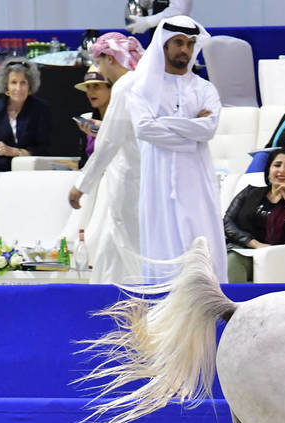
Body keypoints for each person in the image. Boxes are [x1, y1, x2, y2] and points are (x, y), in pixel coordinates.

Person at [125, 15, 227, 283]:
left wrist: (168, 125)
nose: (185, 50)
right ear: (164, 46)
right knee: (163, 256)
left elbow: (208, 129)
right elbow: (144, 129)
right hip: (157, 184)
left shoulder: (205, 89)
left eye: (190, 44)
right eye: (178, 42)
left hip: (197, 183)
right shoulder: (142, 88)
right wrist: (190, 134)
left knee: (202, 251)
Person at [68, 32, 145, 285]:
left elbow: (109, 143)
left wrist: (81, 185)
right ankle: (102, 303)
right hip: (136, 179)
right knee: (110, 249)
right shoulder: (143, 83)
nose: (101, 70)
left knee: (132, 250)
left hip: (130, 181)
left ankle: (147, 308)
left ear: (110, 58)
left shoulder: (124, 86)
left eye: (100, 63)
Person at [225, 148, 285, 283]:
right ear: (269, 170)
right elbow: (227, 221)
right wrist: (254, 244)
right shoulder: (249, 192)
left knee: (232, 262)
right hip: (239, 248)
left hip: (271, 257)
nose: (282, 170)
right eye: (277, 165)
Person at [74, 65, 112, 168]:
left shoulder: (122, 120)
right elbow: (83, 163)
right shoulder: (87, 120)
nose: (90, 92)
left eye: (96, 86)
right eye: (88, 87)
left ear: (111, 89)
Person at [125, 0, 194, 35]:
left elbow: (180, 10)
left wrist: (148, 22)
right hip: (158, 36)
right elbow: (146, 4)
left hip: (177, 36)